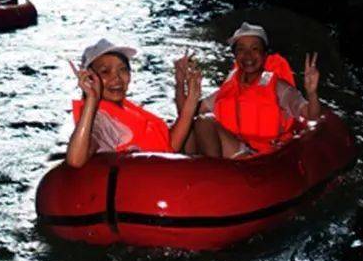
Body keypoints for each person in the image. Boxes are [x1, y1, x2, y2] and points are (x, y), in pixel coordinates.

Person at [182, 23, 321, 158]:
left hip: (264, 158)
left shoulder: (279, 88)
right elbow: (187, 113)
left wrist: (312, 93)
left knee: (204, 122)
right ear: (235, 55)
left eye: (255, 49)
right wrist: (180, 83)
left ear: (265, 54)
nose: (248, 55)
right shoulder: (228, 88)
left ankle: (214, 171)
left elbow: (311, 115)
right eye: (241, 50)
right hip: (236, 151)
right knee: (194, 125)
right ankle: (197, 168)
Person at [66, 38, 201, 168]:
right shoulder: (102, 120)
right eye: (105, 72)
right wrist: (91, 99)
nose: (117, 78)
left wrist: (181, 85)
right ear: (89, 79)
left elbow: (169, 146)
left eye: (123, 69)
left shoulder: (125, 110)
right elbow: (75, 160)